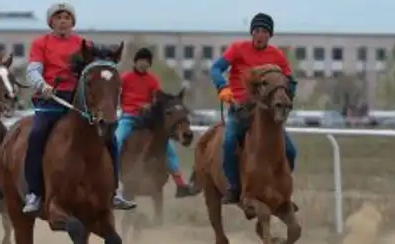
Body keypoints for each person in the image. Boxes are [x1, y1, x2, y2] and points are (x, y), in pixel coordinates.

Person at [21, 2, 136, 214]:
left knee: (110, 138)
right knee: (36, 135)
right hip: (51, 101)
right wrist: (42, 85)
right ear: (51, 22)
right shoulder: (40, 44)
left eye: (67, 17)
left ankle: (115, 191)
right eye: (58, 17)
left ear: (72, 22)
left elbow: (96, 72)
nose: (63, 21)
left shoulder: (85, 44)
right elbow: (33, 70)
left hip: (80, 102)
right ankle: (34, 193)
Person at [209, 12, 298, 204]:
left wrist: (288, 96)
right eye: (256, 30)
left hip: (266, 114)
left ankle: (282, 190)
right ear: (252, 33)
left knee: (290, 150)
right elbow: (215, 68)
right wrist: (222, 87)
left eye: (264, 31)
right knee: (230, 141)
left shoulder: (277, 56)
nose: (260, 34)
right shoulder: (237, 49)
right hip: (240, 109)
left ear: (270, 35)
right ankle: (234, 188)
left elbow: (290, 81)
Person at [115, 48, 198, 198]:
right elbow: (118, 95)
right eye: (141, 60)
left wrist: (151, 105)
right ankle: (114, 182)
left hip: (148, 119)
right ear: (136, 62)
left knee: (169, 147)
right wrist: (129, 107)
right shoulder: (125, 78)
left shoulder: (153, 80)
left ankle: (180, 184)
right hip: (129, 116)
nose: (144, 64)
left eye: (147, 62)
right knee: (118, 139)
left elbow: (158, 99)